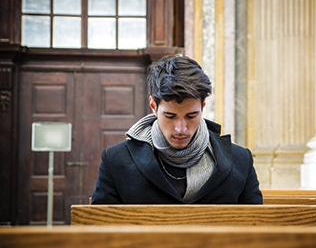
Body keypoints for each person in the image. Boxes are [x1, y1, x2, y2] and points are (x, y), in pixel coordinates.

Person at [91, 55, 263, 204]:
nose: (181, 129)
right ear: (153, 106)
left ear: (203, 106)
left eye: (191, 116)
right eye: (170, 116)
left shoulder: (241, 161)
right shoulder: (115, 161)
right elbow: (100, 231)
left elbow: (257, 231)